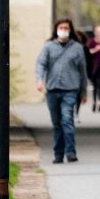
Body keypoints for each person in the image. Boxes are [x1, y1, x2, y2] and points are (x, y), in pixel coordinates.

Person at [35, 18, 88, 164]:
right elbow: (41, 64)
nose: (63, 30)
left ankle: (70, 153)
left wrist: (83, 92)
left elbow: (82, 71)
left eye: (66, 27)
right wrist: (39, 80)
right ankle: (58, 154)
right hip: (52, 90)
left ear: (70, 30)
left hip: (70, 90)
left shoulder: (77, 47)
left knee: (67, 120)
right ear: (56, 29)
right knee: (57, 123)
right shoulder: (49, 46)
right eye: (61, 27)